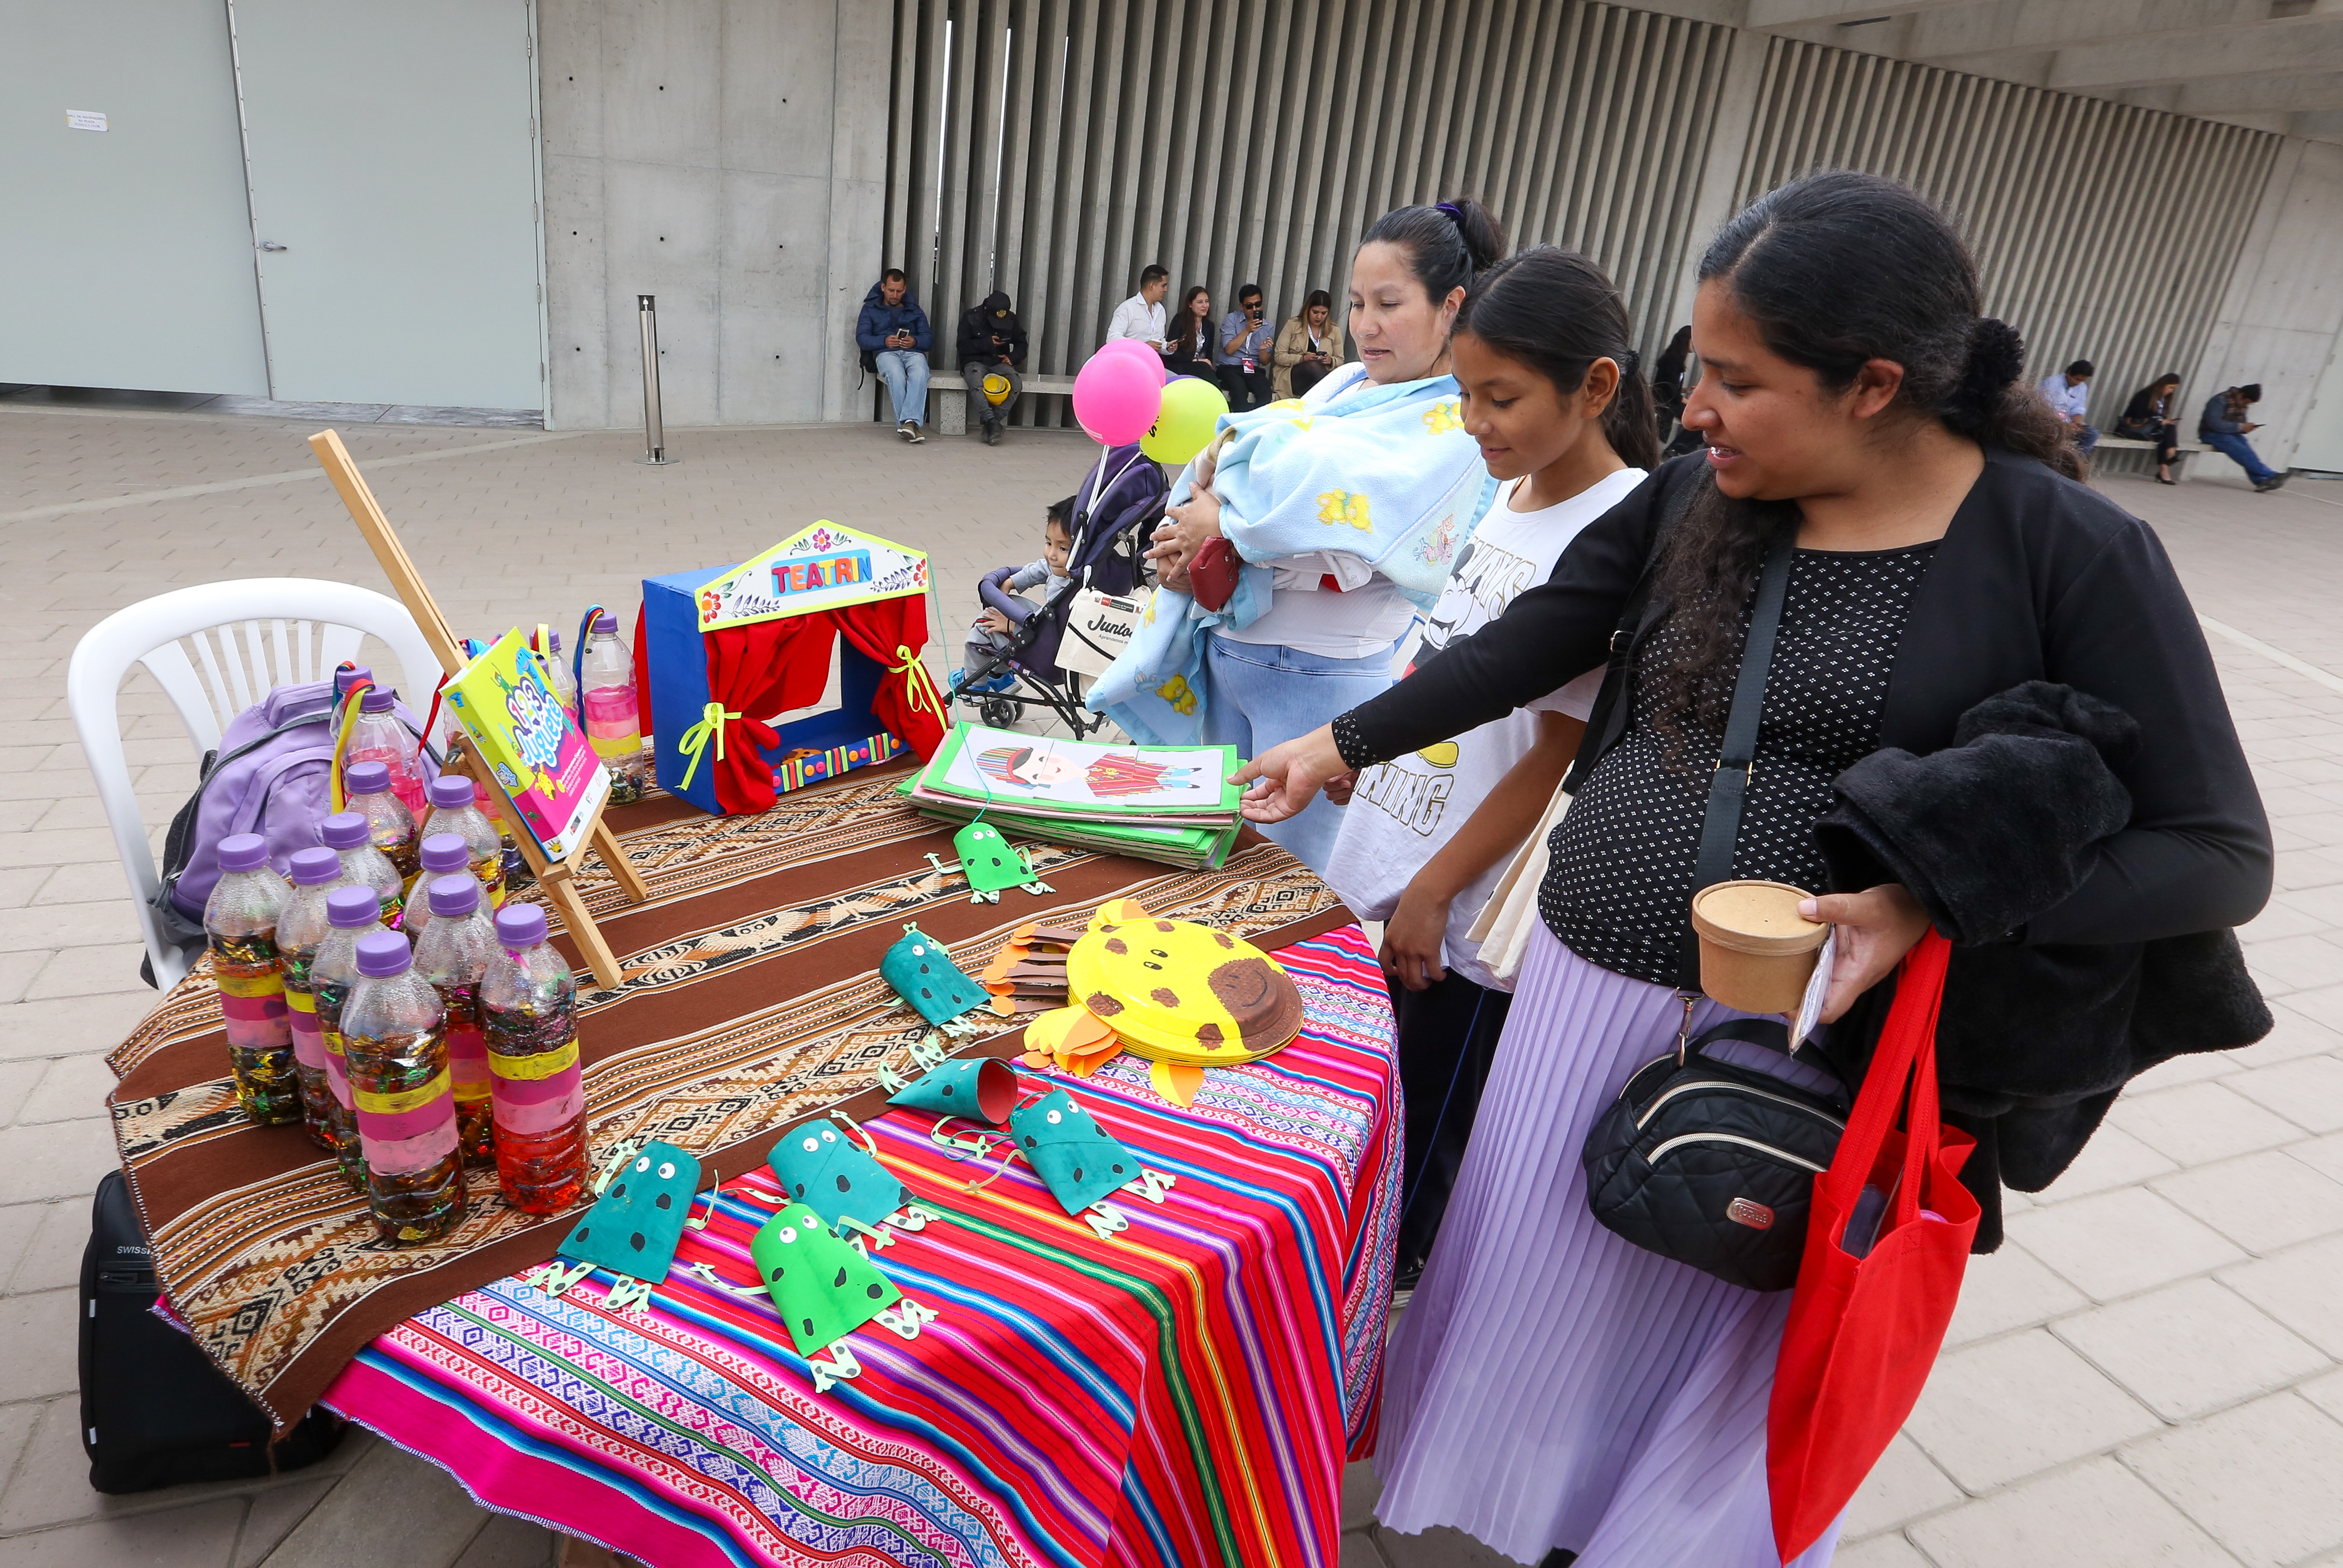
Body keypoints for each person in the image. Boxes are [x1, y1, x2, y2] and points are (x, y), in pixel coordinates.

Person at [1235, 171, 2269, 1566]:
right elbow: (1529, 644)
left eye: (1732, 377)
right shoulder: (1689, 501)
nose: (1694, 405)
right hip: (1579, 994)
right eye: (1692, 367)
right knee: (1537, 1304)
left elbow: (2213, 853)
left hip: (1806, 1055)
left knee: (1717, 1363)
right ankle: (1513, 1518)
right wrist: (1336, 743)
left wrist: (1931, 900)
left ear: (1871, 385)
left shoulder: (2057, 548)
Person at [1320, 247, 1655, 1289]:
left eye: (1498, 397)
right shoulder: (1507, 493)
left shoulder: (1616, 524)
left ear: (1594, 386)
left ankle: (1380, 1331)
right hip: (1395, 856)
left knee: (1413, 1162)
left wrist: (1431, 890)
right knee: (1363, 1122)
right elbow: (1450, 655)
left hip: (1457, 920)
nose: (1473, 421)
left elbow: (1556, 754)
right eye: (1463, 392)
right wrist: (1358, 757)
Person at [1088, 197, 1510, 873]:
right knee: (1208, 858)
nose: (1364, 326)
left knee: (1289, 878)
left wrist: (1222, 522)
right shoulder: (1346, 380)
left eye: (1388, 304)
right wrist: (1200, 526)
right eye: (1354, 303)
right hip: (1234, 652)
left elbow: (1361, 537)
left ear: (1450, 305)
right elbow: (1245, 448)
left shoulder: (1454, 422)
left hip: (1323, 679)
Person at [957, 496, 1074, 690]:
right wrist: (1011, 582)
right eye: (1048, 544)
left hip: (1047, 648)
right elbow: (1041, 568)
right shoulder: (1087, 573)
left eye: (1062, 548)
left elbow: (1057, 624)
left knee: (985, 624)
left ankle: (974, 685)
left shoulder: (1070, 593)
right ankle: (998, 676)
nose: (1052, 554)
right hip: (1056, 638)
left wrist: (1011, 625)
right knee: (1009, 606)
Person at [856, 269, 933, 443]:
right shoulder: (870, 308)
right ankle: (911, 424)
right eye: (891, 290)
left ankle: (908, 424)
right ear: (883, 287)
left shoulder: (914, 309)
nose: (895, 295)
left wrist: (915, 342)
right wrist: (884, 341)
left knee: (921, 372)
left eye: (899, 291)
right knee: (896, 375)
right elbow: (862, 338)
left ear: (904, 290)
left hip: (913, 353)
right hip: (885, 353)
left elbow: (928, 339)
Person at [958, 290, 1028, 446]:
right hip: (975, 361)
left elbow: (1022, 344)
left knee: (1016, 383)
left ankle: (993, 422)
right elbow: (962, 347)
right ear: (985, 310)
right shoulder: (970, 317)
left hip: (999, 362)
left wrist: (1013, 358)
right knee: (976, 382)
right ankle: (991, 422)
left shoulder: (1012, 319)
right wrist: (987, 343)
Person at [2201, 382, 2285, 491]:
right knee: (2241, 451)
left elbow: (2240, 424)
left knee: (2247, 451)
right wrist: (2240, 427)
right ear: (2241, 395)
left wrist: (2247, 428)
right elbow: (2215, 424)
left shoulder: (2242, 405)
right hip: (2211, 434)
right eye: (2246, 402)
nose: (2246, 405)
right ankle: (2270, 475)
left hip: (2231, 435)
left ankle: (2261, 481)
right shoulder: (2220, 400)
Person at [1273, 290, 1346, 399]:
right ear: (1307, 310)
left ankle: (1332, 395)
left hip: (1318, 381)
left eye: (1323, 313)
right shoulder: (1293, 325)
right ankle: (1337, 396)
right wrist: (1302, 359)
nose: (1319, 317)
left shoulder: (1334, 330)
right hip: (1293, 379)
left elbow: (1341, 360)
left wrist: (1331, 361)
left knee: (1317, 375)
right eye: (1315, 312)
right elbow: (1279, 357)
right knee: (1312, 365)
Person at [1215, 283, 1276, 412]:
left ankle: (1256, 423)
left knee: (1265, 391)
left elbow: (1265, 362)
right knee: (1239, 389)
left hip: (1252, 369)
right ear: (1242, 306)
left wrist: (1263, 350)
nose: (1255, 309)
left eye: (1258, 304)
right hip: (1230, 367)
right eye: (1249, 306)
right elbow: (1229, 349)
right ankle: (1239, 425)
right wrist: (1247, 330)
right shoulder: (1231, 320)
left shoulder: (1267, 327)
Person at [2116, 371, 2185, 484]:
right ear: (2163, 384)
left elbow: (2159, 417)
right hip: (2134, 429)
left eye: (2174, 389)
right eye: (2170, 387)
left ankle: (2166, 463)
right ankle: (2169, 458)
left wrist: (2162, 421)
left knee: (2167, 431)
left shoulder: (2163, 399)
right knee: (2168, 432)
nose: (2171, 391)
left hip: (2150, 430)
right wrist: (2159, 421)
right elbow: (2137, 416)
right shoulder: (2145, 395)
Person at [2038, 358, 2098, 456]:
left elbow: (2078, 408)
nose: (2078, 383)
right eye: (2077, 379)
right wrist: (2063, 425)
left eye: (2082, 381)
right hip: (2050, 423)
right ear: (2069, 373)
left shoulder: (2082, 388)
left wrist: (2077, 424)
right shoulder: (2052, 383)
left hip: (2069, 425)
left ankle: (2073, 460)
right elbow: (2045, 410)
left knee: (2092, 435)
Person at [1106, 264, 1172, 351]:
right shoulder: (1128, 308)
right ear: (1152, 286)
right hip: (1129, 361)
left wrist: (1167, 347)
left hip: (1150, 362)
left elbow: (1158, 342)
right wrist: (1142, 346)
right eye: (1163, 286)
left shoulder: (1160, 310)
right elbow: (1112, 338)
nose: (1166, 290)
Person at [1163, 286, 1218, 381]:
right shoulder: (1180, 320)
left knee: (1207, 370)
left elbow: (1209, 355)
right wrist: (1195, 360)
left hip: (1199, 367)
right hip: (1179, 365)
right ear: (1190, 304)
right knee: (1203, 368)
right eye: (1200, 302)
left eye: (1207, 301)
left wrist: (1206, 363)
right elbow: (1170, 352)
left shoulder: (1209, 325)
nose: (1205, 306)